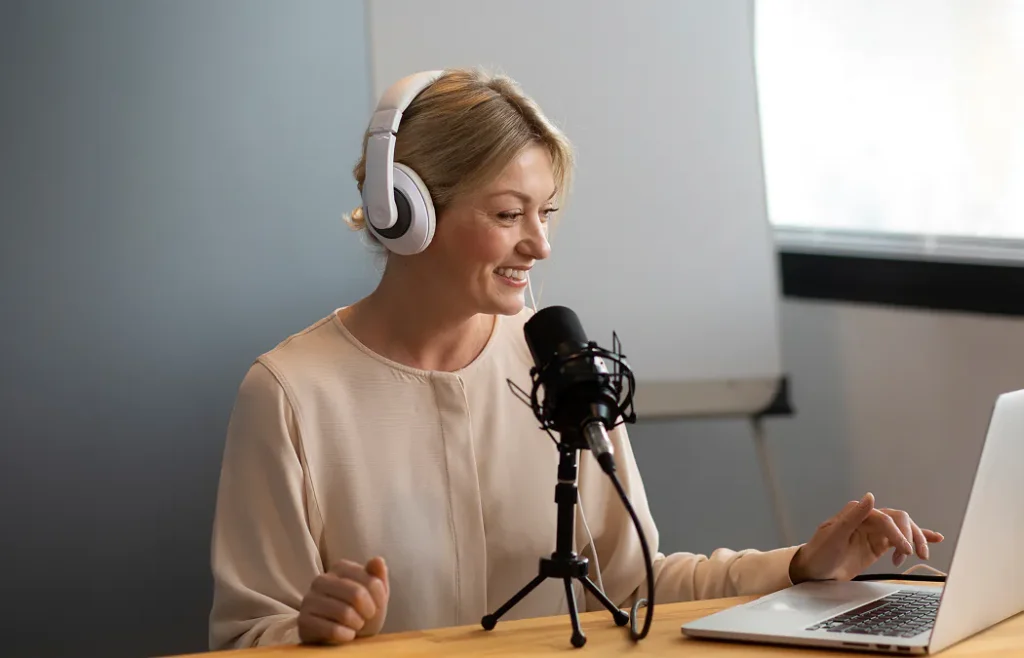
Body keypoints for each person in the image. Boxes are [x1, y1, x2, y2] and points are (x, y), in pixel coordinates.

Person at [207, 68, 943, 650]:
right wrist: (317, 632)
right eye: (508, 214)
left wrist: (800, 567)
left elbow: (633, 587)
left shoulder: (560, 364)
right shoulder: (290, 393)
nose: (540, 245)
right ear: (406, 211)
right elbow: (245, 636)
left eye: (546, 212)